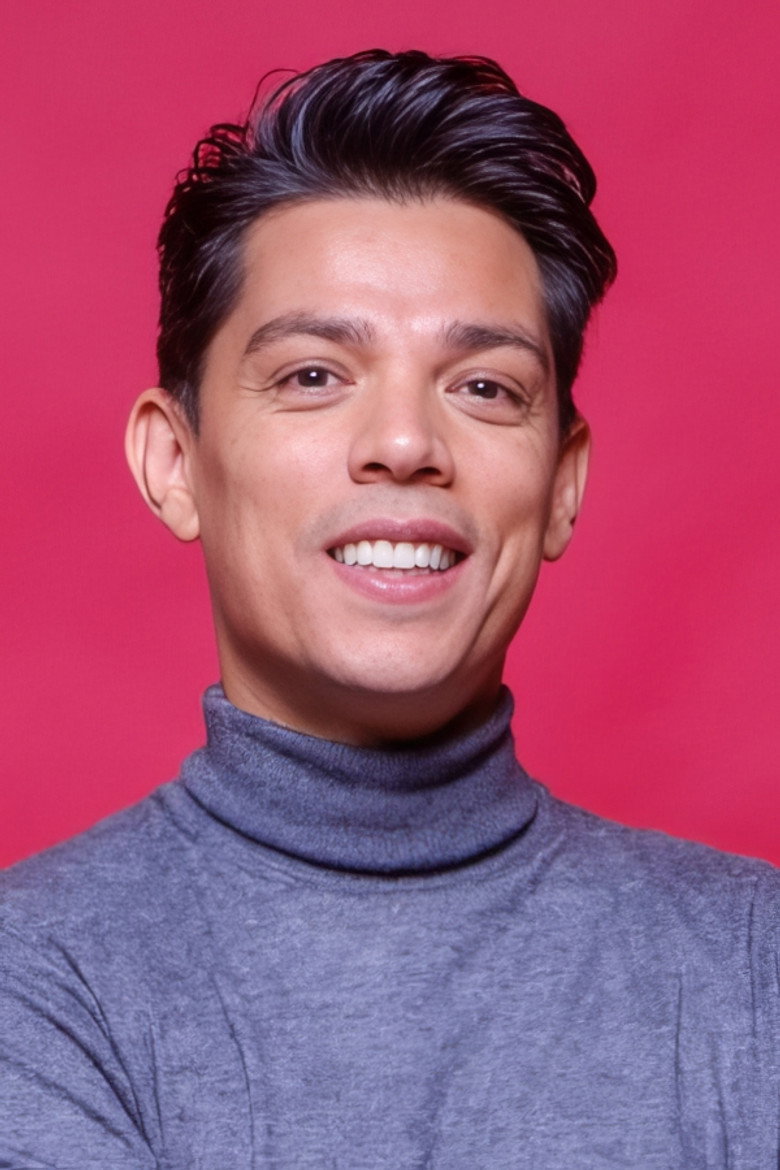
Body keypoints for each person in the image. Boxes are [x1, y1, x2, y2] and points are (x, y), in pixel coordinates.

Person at [0, 48, 776, 1168]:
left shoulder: (754, 964)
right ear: (175, 463)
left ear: (562, 485)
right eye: (313, 375)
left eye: (485, 388)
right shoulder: (35, 983)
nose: (406, 442)